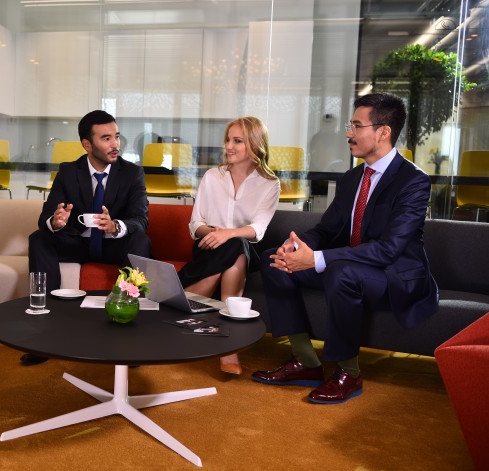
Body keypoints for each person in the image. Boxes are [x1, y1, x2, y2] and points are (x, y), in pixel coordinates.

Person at [251, 92, 439, 404]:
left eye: (356, 126)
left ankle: (348, 373)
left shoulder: (414, 181)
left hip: (391, 275)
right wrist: (296, 247)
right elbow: (327, 230)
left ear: (383, 132)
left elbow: (389, 250)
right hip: (349, 267)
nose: (348, 134)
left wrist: (316, 259)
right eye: (349, 126)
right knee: (274, 259)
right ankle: (305, 361)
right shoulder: (353, 178)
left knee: (342, 272)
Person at [25, 110, 151, 365]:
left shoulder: (132, 173)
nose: (115, 144)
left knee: (141, 241)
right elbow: (46, 217)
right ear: (87, 144)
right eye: (106, 138)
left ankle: (128, 332)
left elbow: (140, 219)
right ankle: (45, 333)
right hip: (77, 243)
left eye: (116, 136)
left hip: (113, 244)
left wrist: (115, 226)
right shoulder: (68, 172)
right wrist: (56, 221)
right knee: (39, 238)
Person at [178, 117, 280, 375]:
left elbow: (258, 229)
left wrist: (229, 234)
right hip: (207, 247)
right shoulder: (213, 176)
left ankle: (184, 299)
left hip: (245, 250)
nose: (229, 146)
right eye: (228, 140)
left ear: (255, 145)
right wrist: (215, 234)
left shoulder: (270, 183)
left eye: (237, 141)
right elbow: (195, 224)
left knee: (237, 245)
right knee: (232, 251)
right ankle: (229, 346)